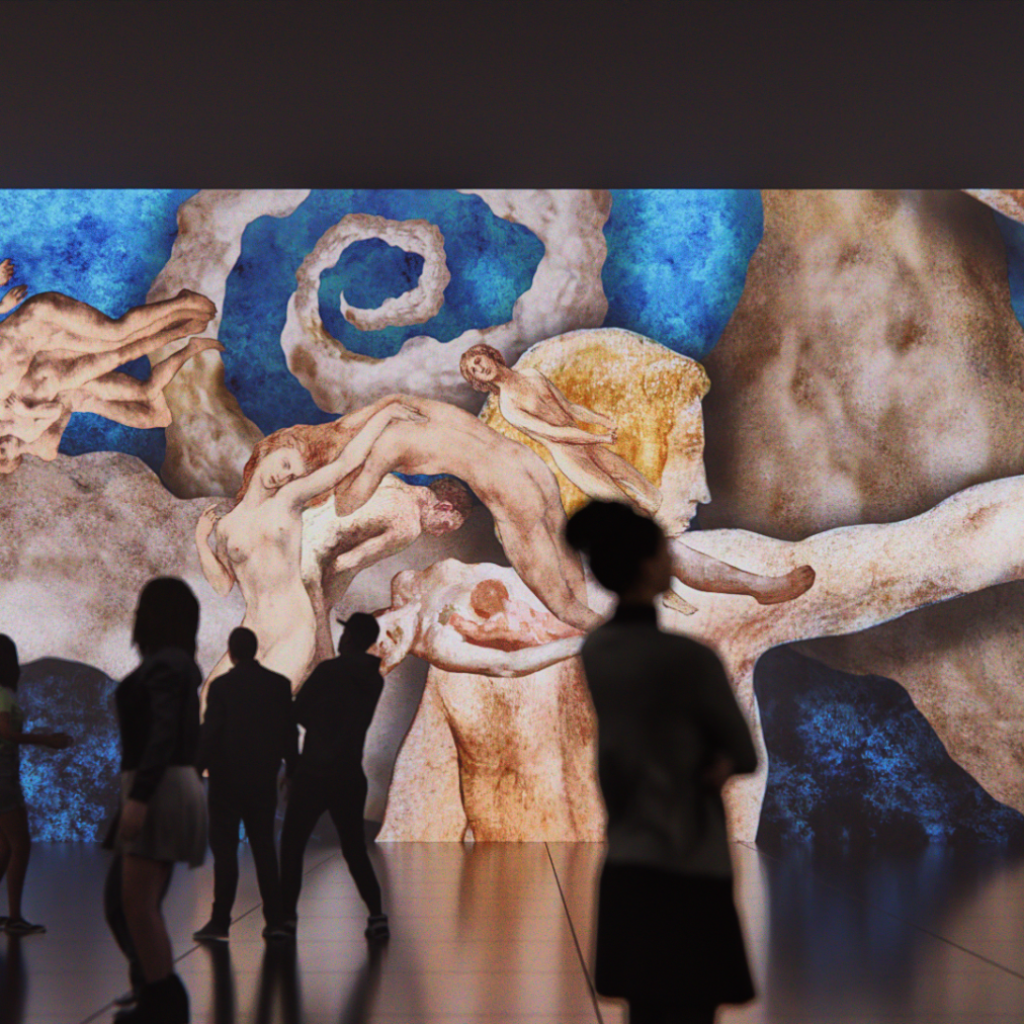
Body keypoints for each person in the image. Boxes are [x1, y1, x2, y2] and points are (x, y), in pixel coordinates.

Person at [566, 500, 758, 1024]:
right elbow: (743, 752)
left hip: (630, 859)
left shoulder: (598, 650)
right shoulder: (690, 659)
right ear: (649, 566)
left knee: (645, 1010)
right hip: (691, 862)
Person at [462, 341, 815, 609]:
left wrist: (602, 422)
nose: (481, 369)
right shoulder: (509, 406)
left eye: (480, 361)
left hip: (595, 447)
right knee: (639, 524)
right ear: (478, 381)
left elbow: (569, 409)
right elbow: (556, 434)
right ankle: (755, 587)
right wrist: (597, 438)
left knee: (651, 501)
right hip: (576, 459)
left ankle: (661, 580)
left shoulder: (533, 376)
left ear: (492, 356)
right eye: (475, 371)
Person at [246, 394, 601, 633]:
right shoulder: (392, 406)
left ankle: (624, 640)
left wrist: (334, 476)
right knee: (566, 557)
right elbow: (390, 410)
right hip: (528, 463)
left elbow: (346, 505)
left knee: (563, 607)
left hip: (508, 487)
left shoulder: (379, 449)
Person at [195, 399, 425, 699]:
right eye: (285, 464)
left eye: (292, 475)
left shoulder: (287, 500)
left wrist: (385, 414)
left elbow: (345, 463)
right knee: (208, 700)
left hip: (293, 630)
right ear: (267, 451)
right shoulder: (227, 526)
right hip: (253, 632)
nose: (284, 476)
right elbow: (223, 585)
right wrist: (201, 541)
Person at [107, 577, 207, 1024]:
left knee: (136, 905)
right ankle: (155, 998)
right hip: (163, 786)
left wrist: (141, 796)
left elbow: (162, 732)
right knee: (127, 903)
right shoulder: (176, 662)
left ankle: (163, 1005)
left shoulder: (167, 664)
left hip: (159, 788)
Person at [278, 613, 389, 941]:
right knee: (354, 850)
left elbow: (296, 714)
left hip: (313, 772)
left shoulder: (329, 671)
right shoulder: (374, 680)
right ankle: (377, 916)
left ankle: (287, 919)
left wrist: (293, 765)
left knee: (292, 846)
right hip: (350, 774)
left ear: (349, 637)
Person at [194, 627, 298, 943]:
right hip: (262, 779)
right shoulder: (278, 685)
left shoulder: (222, 686)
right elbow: (288, 732)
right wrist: (293, 770)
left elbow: (211, 732)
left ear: (231, 652)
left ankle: (220, 922)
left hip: (225, 781)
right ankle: (275, 921)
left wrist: (195, 771)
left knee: (225, 853)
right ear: (255, 650)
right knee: (264, 848)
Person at [301, 474, 471, 662]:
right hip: (306, 556)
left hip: (297, 525)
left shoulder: (387, 479)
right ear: (444, 507)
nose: (438, 534)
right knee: (321, 628)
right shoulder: (409, 526)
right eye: (444, 526)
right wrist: (330, 598)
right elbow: (343, 563)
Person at [0, 634, 73, 935]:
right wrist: (47, 740)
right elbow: (5, 732)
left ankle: (14, 916)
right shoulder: (3, 694)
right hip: (2, 776)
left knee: (6, 846)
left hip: (5, 774)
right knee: (20, 845)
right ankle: (15, 918)